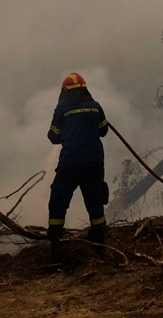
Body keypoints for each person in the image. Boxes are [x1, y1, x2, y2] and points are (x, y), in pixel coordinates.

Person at [46, 72, 110, 260]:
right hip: (94, 162)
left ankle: (57, 247)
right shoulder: (95, 106)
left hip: (70, 163)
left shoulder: (61, 111)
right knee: (95, 201)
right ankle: (100, 247)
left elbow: (53, 137)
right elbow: (104, 131)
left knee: (59, 200)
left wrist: (69, 129)